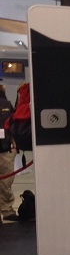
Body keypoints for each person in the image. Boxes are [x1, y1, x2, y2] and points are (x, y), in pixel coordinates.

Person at [0, 85, 16, 223]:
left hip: (5, 148)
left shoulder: (7, 105)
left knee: (6, 181)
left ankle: (7, 210)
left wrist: (15, 146)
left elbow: (13, 125)